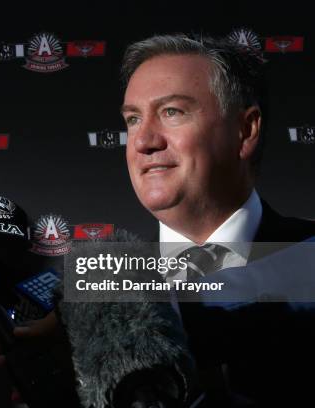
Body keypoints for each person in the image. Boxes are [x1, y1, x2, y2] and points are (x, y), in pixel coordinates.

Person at [120, 34, 315, 406]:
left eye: (172, 112)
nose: (143, 141)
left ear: (246, 130)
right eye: (132, 118)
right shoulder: (100, 291)